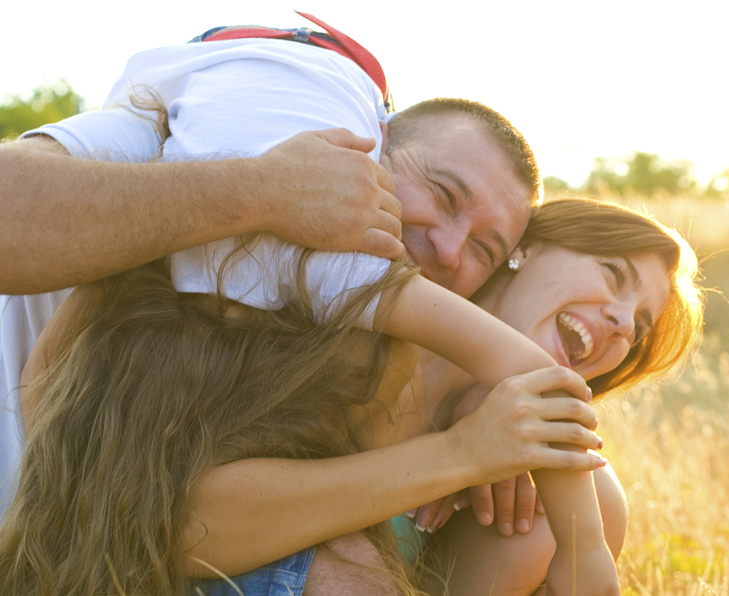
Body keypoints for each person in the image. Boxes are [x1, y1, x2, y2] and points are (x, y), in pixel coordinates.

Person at [0, 198, 703, 596]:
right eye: (613, 277)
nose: (618, 324)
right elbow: (168, 523)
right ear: (526, 246)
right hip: (117, 553)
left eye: (637, 330)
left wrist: (511, 449)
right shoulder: (359, 313)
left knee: (571, 509)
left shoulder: (544, 466)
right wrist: (462, 453)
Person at [0, 20, 540, 519]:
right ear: (371, 146)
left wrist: (476, 401)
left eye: (483, 251)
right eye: (443, 195)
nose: (449, 249)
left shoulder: (379, 336)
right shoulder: (175, 142)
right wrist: (263, 189)